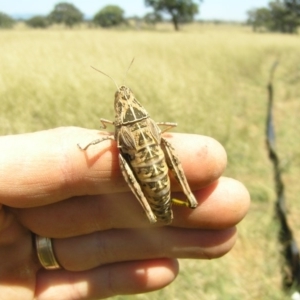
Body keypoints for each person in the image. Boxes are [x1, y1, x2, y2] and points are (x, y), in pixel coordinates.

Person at [0, 127, 250, 300]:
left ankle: (170, 204)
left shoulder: (121, 129)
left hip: (149, 164)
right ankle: (165, 206)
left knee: (154, 160)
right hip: (146, 166)